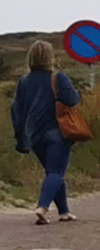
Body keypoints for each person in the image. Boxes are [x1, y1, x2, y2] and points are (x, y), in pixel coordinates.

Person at [12, 41, 82, 225]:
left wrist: (20, 136)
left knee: (52, 172)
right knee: (56, 172)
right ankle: (42, 207)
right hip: (57, 132)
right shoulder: (58, 78)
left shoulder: (23, 82)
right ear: (50, 57)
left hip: (33, 135)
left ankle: (64, 212)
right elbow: (72, 100)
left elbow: (16, 110)